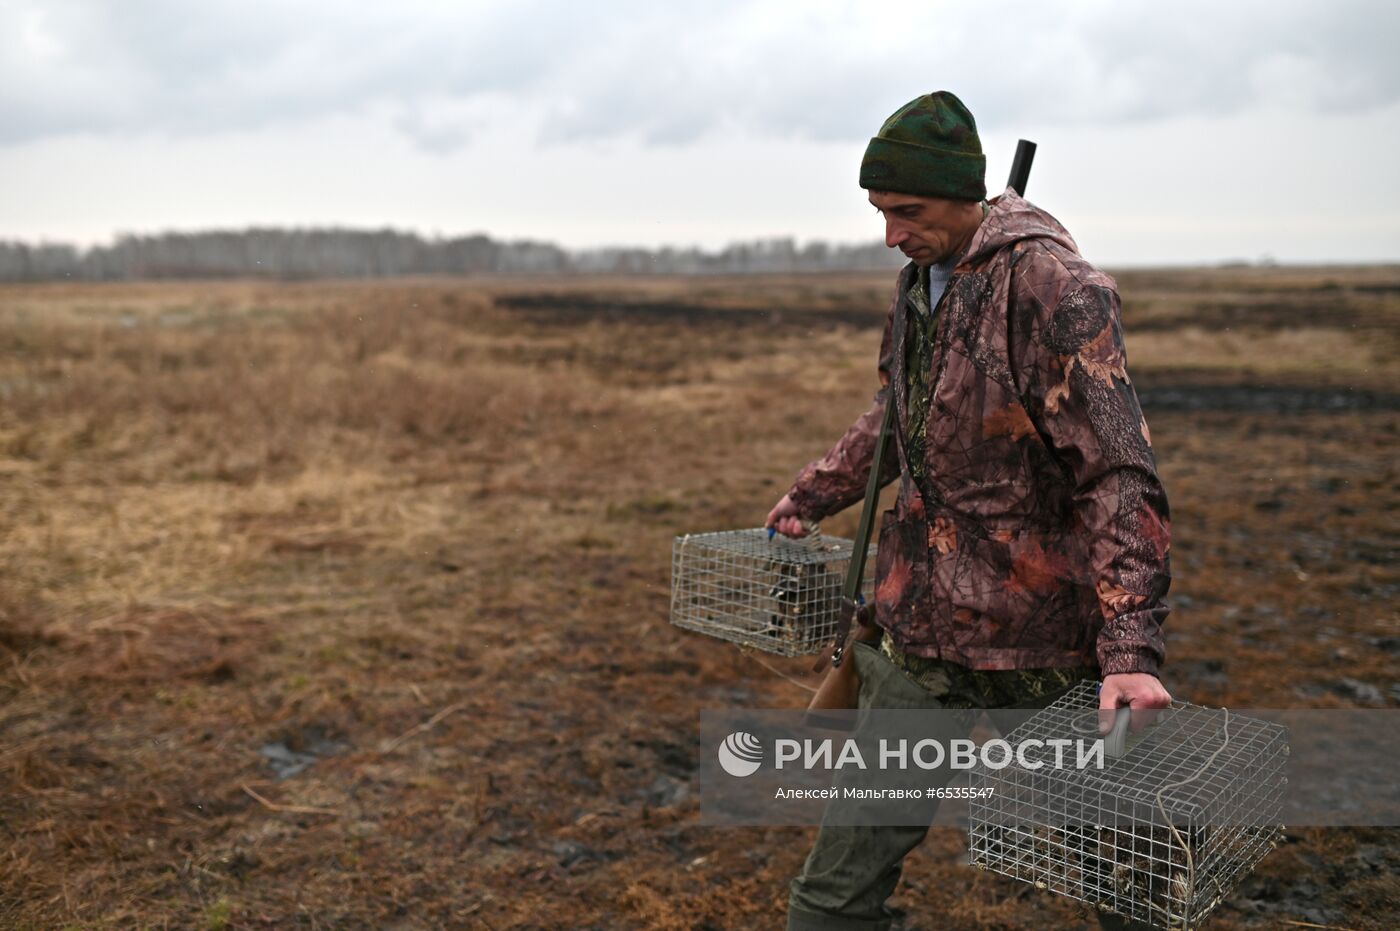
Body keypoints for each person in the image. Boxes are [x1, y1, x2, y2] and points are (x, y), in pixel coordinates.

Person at [764, 91, 1173, 931]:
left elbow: (1119, 473)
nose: (890, 234)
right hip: (920, 632)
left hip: (1042, 643)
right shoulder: (921, 283)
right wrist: (814, 491)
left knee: (1124, 881)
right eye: (879, 212)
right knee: (831, 897)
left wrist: (1128, 650)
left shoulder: (1055, 287)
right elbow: (898, 415)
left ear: (965, 195)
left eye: (906, 211)